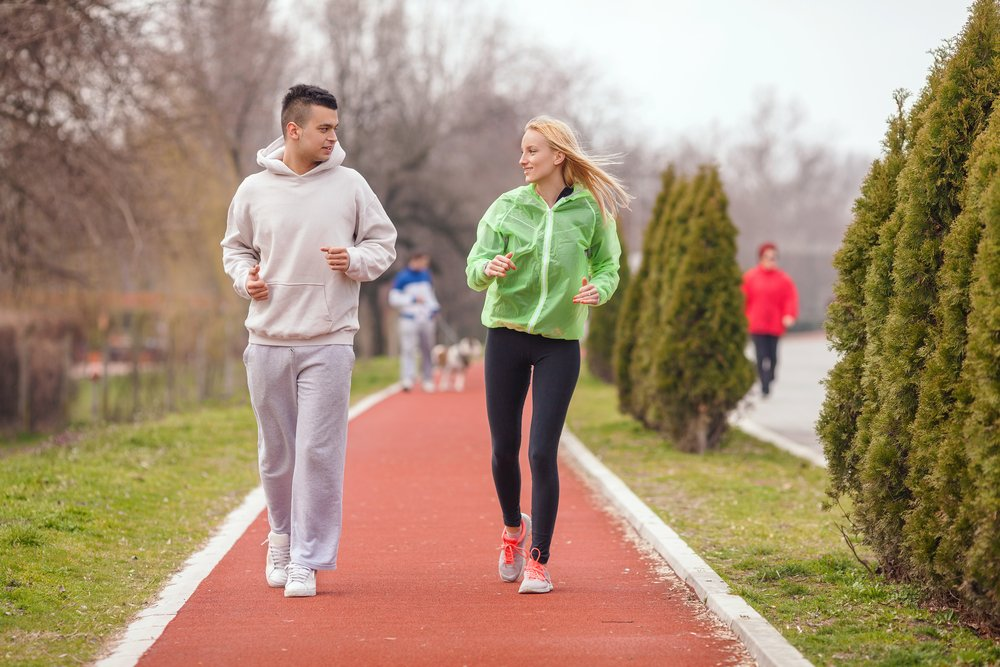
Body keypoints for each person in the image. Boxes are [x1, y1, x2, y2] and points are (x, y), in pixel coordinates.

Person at [221, 84, 396, 597]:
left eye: (334, 129)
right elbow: (234, 249)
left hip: (330, 339)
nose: (331, 138)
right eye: (323, 128)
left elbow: (382, 244)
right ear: (292, 130)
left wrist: (354, 260)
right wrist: (245, 277)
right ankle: (281, 535)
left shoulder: (351, 185)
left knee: (318, 452)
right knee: (277, 454)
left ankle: (307, 559)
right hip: (268, 339)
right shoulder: (254, 190)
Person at [466, 116, 629, 594]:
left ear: (558, 155)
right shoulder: (506, 207)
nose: (523, 159)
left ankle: (539, 559)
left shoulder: (591, 211)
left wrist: (599, 287)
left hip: (559, 341)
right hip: (507, 335)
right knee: (502, 451)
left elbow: (607, 262)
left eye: (532, 151)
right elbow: (474, 265)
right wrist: (487, 267)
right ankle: (512, 529)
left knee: (541, 451)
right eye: (523, 151)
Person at [741, 242, 798, 397]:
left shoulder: (783, 279)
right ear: (761, 258)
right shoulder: (750, 277)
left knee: (772, 356)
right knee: (760, 355)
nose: (771, 260)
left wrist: (789, 315)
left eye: (774, 257)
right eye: (768, 257)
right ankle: (764, 384)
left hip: (774, 324)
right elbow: (743, 298)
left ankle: (770, 376)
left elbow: (790, 299)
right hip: (756, 323)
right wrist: (741, 317)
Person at [388, 252, 440, 392]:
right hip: (408, 318)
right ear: (415, 260)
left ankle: (427, 378)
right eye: (423, 262)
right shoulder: (402, 277)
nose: (425, 265)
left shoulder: (426, 275)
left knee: (427, 349)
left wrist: (435, 308)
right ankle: (407, 379)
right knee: (408, 349)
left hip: (426, 318)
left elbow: (430, 295)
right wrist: (412, 299)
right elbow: (393, 298)